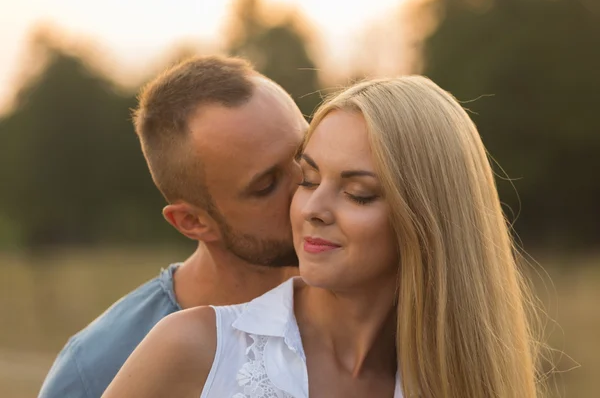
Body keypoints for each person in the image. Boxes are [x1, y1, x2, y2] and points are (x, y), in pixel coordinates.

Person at [102, 76, 542, 398]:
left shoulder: (467, 377)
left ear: (428, 220)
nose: (311, 208)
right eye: (309, 179)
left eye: (358, 193)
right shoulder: (193, 348)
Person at [38, 55, 307, 398]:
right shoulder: (96, 368)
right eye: (267, 185)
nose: (310, 189)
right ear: (193, 222)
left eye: (305, 153)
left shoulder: (375, 299)